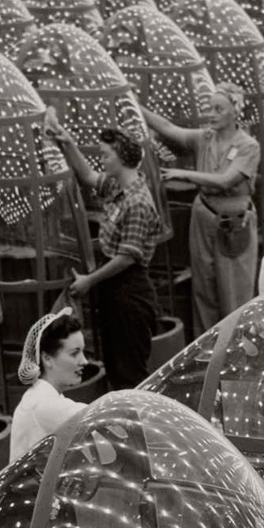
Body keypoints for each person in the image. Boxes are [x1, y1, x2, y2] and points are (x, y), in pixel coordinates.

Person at [49, 122, 163, 390]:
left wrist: (89, 280)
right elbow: (88, 175)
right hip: (114, 290)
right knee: (115, 364)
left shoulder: (137, 202)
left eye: (105, 155)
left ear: (122, 158)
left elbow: (127, 257)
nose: (101, 160)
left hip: (130, 293)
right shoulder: (116, 186)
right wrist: (67, 142)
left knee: (129, 371)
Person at [143, 83, 262, 334]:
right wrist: (133, 103)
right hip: (203, 214)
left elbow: (227, 180)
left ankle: (236, 344)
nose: (212, 114)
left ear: (235, 112)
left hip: (233, 221)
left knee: (233, 290)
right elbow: (167, 128)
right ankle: (207, 345)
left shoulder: (248, 146)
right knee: (204, 286)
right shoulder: (204, 138)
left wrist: (184, 174)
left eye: (219, 109)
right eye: (210, 108)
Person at [10, 307, 89, 461]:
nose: (84, 361)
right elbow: (101, 416)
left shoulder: (41, 395)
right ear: (47, 358)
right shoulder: (43, 403)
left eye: (83, 352)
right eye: (74, 353)